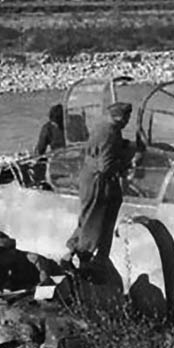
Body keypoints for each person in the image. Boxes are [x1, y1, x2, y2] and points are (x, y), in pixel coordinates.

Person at [65, 102, 137, 263]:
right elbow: (106, 166)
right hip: (98, 181)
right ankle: (83, 257)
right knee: (94, 221)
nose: (128, 122)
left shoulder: (104, 127)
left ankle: (74, 252)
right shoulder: (110, 133)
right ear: (119, 117)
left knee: (87, 217)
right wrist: (126, 160)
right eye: (127, 118)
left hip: (90, 177)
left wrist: (124, 145)